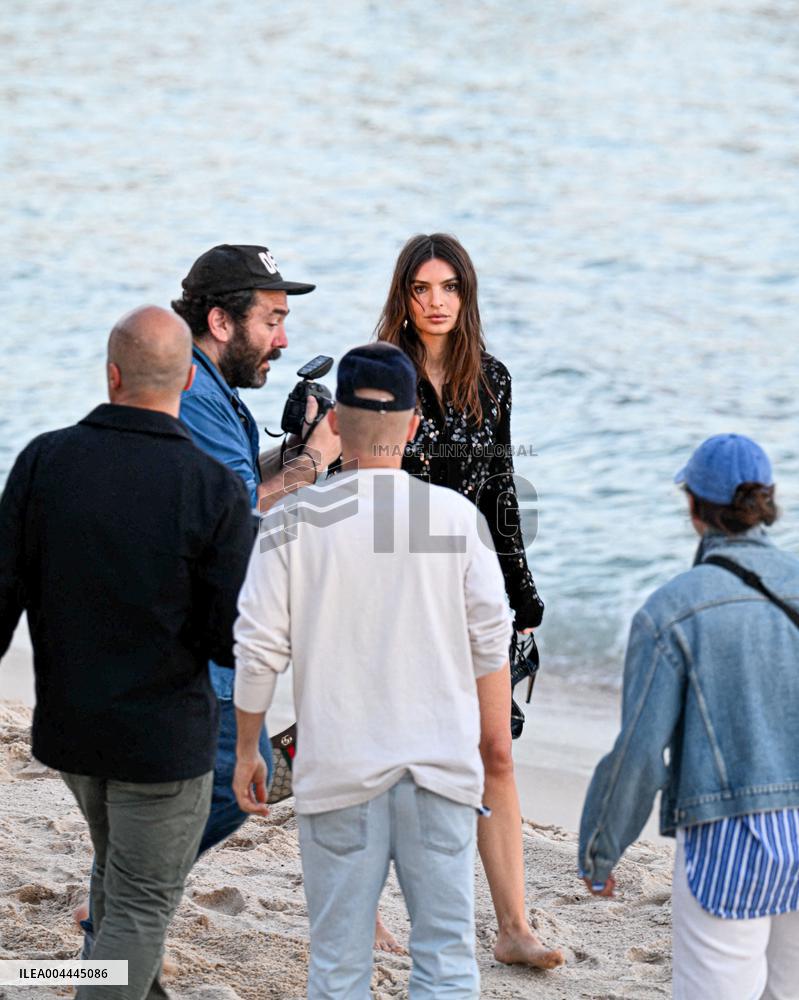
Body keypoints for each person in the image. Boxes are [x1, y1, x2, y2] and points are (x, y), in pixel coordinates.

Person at [232, 342, 513, 998]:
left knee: (337, 964)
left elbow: (258, 646)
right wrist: (489, 750)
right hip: (439, 771)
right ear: (413, 426)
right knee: (446, 961)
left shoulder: (293, 520)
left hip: (337, 771)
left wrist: (249, 747)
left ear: (335, 423)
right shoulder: (455, 519)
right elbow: (490, 643)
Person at [0, 307, 255, 999]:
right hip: (162, 743)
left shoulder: (44, 460)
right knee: (140, 906)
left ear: (112, 375)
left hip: (72, 734)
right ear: (187, 381)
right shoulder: (211, 486)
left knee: (118, 874)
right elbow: (227, 637)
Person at [375, 233, 564, 970]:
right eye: (421, 288)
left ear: (466, 294)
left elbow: (502, 491)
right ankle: (365, 911)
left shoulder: (493, 379)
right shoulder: (380, 374)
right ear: (403, 296)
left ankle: (514, 928)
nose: (436, 302)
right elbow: (359, 486)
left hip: (476, 590)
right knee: (391, 754)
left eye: (448, 287)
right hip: (398, 593)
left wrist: (523, 594)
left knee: (495, 752)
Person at [579, 434, 799, 1000]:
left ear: (694, 506)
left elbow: (639, 754)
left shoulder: (671, 610)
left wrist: (601, 852)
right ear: (766, 501)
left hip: (731, 836)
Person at [171, 242, 341, 853]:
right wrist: (313, 462)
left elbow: (231, 484)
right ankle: (125, 891)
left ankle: (126, 887)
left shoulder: (204, 384)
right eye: (273, 321)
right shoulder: (196, 394)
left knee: (198, 796)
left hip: (189, 638)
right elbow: (238, 515)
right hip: (200, 651)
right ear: (221, 321)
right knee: (236, 789)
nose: (283, 341)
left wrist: (294, 452)